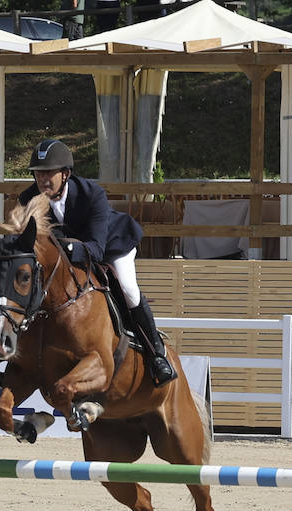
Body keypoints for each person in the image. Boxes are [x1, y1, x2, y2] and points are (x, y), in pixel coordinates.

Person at [18, 138, 177, 386]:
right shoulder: (29, 198)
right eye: (38, 174)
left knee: (127, 288)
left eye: (48, 173)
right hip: (68, 256)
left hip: (112, 246)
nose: (42, 179)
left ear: (66, 174)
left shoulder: (92, 194)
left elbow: (97, 249)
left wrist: (66, 248)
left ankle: (156, 353)